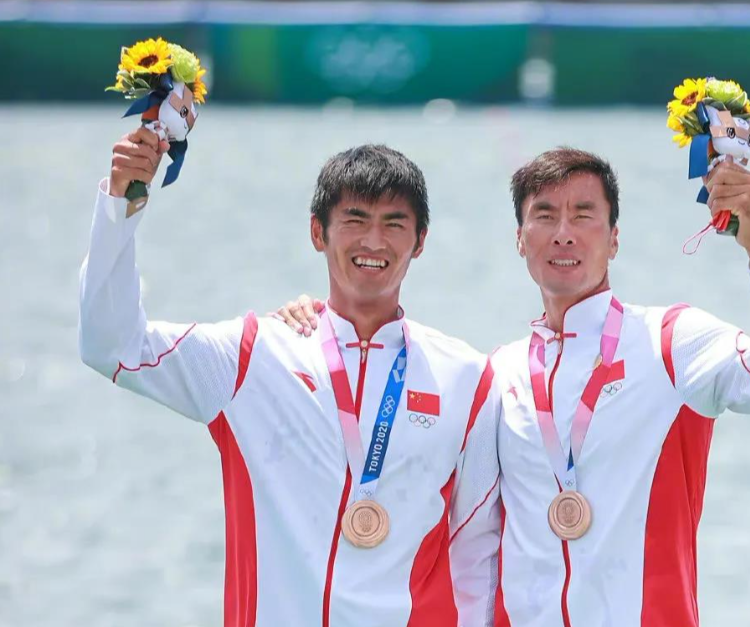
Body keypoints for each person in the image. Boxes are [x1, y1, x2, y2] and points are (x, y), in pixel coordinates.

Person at [277, 147, 750, 627]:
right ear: (520, 240)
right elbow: (471, 541)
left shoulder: (672, 344)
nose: (563, 231)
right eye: (544, 214)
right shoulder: (500, 375)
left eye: (583, 214)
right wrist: (314, 325)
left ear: (614, 239)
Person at [79, 131, 502, 627]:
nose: (373, 241)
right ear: (318, 233)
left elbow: (478, 556)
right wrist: (122, 203)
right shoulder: (252, 357)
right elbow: (113, 346)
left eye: (394, 223)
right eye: (355, 220)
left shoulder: (467, 378)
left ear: (421, 241)